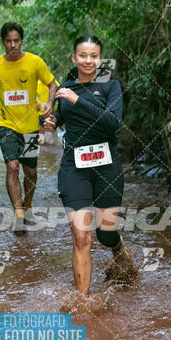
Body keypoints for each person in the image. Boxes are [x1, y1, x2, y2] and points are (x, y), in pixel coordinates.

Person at [44, 35, 136, 295]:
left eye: (94, 56)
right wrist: (52, 121)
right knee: (81, 236)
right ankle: (82, 302)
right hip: (74, 168)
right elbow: (62, 117)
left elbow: (111, 122)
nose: (88, 60)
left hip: (107, 168)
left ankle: (118, 248)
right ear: (74, 58)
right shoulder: (67, 87)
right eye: (83, 55)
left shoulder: (111, 87)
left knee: (105, 233)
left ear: (100, 59)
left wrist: (77, 100)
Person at [0, 22, 56, 233]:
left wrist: (50, 102)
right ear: (2, 42)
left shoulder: (35, 62)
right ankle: (18, 215)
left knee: (30, 171)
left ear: (21, 41)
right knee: (12, 167)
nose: (13, 45)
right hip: (6, 124)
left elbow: (51, 83)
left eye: (16, 41)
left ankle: (28, 204)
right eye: (8, 41)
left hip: (30, 125)